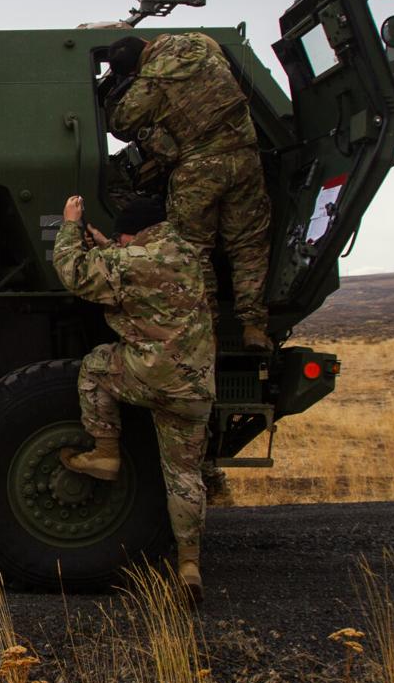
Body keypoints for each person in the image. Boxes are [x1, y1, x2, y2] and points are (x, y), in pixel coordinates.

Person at [53, 195, 215, 602]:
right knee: (185, 477)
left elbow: (74, 272)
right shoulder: (189, 256)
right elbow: (142, 264)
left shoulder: (127, 262)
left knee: (95, 366)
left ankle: (105, 453)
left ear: (132, 233)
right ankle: (189, 565)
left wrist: (70, 225)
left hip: (150, 377)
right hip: (195, 389)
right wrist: (110, 245)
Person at [105, 32, 273, 351]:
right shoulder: (200, 44)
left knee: (194, 250)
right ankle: (253, 326)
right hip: (245, 157)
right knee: (248, 243)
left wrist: (123, 96)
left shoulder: (150, 82)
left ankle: (207, 331)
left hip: (200, 168)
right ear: (145, 43)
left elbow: (122, 122)